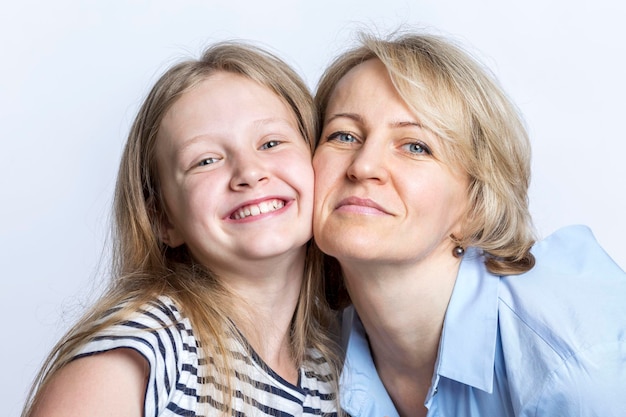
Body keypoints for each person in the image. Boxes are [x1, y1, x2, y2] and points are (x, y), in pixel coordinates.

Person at [312, 31, 626, 417]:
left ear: (477, 202)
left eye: (415, 146)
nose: (363, 166)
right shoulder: (315, 344)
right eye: (343, 135)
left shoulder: (575, 364)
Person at [23, 41, 341, 417]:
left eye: (271, 143)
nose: (249, 172)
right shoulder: (135, 361)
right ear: (163, 219)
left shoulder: (328, 371)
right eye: (206, 160)